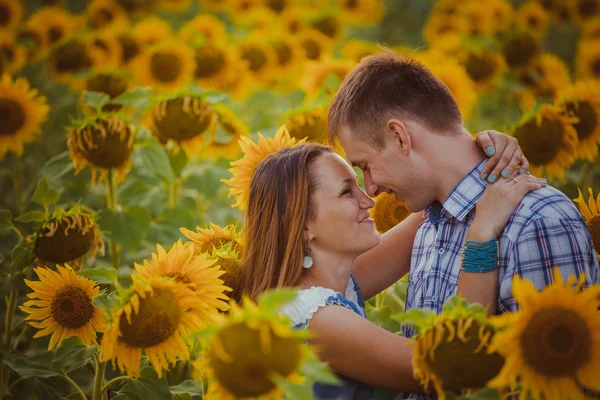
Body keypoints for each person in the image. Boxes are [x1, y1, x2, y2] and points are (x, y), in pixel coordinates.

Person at [326, 50, 599, 344]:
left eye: (365, 165)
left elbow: (557, 379)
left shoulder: (539, 221)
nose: (371, 189)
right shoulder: (429, 225)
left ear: (400, 136)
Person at [238, 138, 546, 398]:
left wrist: (486, 147)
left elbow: (440, 192)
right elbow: (452, 367)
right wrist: (481, 234)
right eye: (347, 191)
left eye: (359, 184)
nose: (368, 200)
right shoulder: (317, 319)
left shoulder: (329, 281)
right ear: (303, 225)